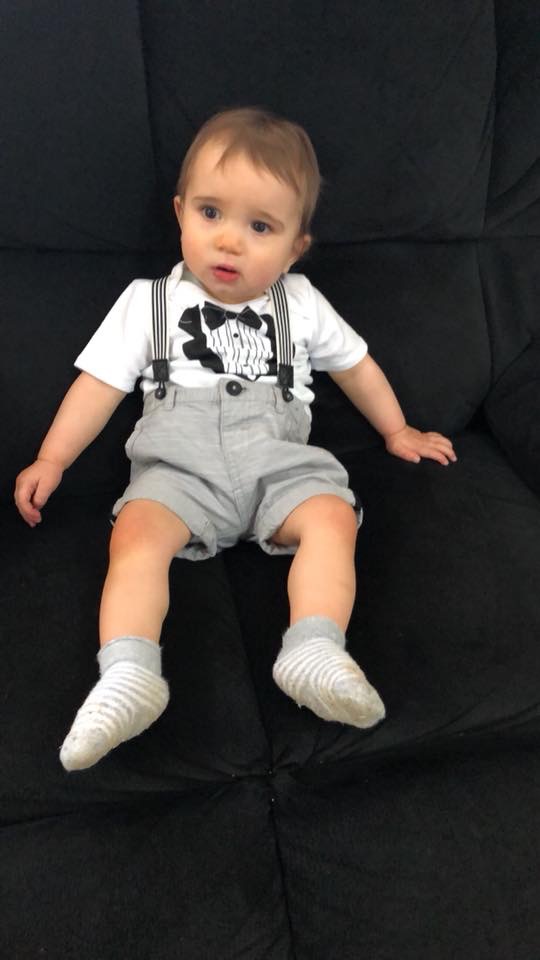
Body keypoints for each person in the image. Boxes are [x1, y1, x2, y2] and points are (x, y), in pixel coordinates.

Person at [14, 107, 457, 771]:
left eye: (260, 227)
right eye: (210, 213)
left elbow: (357, 367)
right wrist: (52, 458)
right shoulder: (147, 303)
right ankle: (129, 673)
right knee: (134, 536)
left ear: (295, 248)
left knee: (333, 518)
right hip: (178, 469)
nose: (229, 242)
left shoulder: (300, 303)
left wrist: (397, 430)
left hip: (281, 464)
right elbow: (98, 387)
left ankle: (314, 647)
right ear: (180, 213)